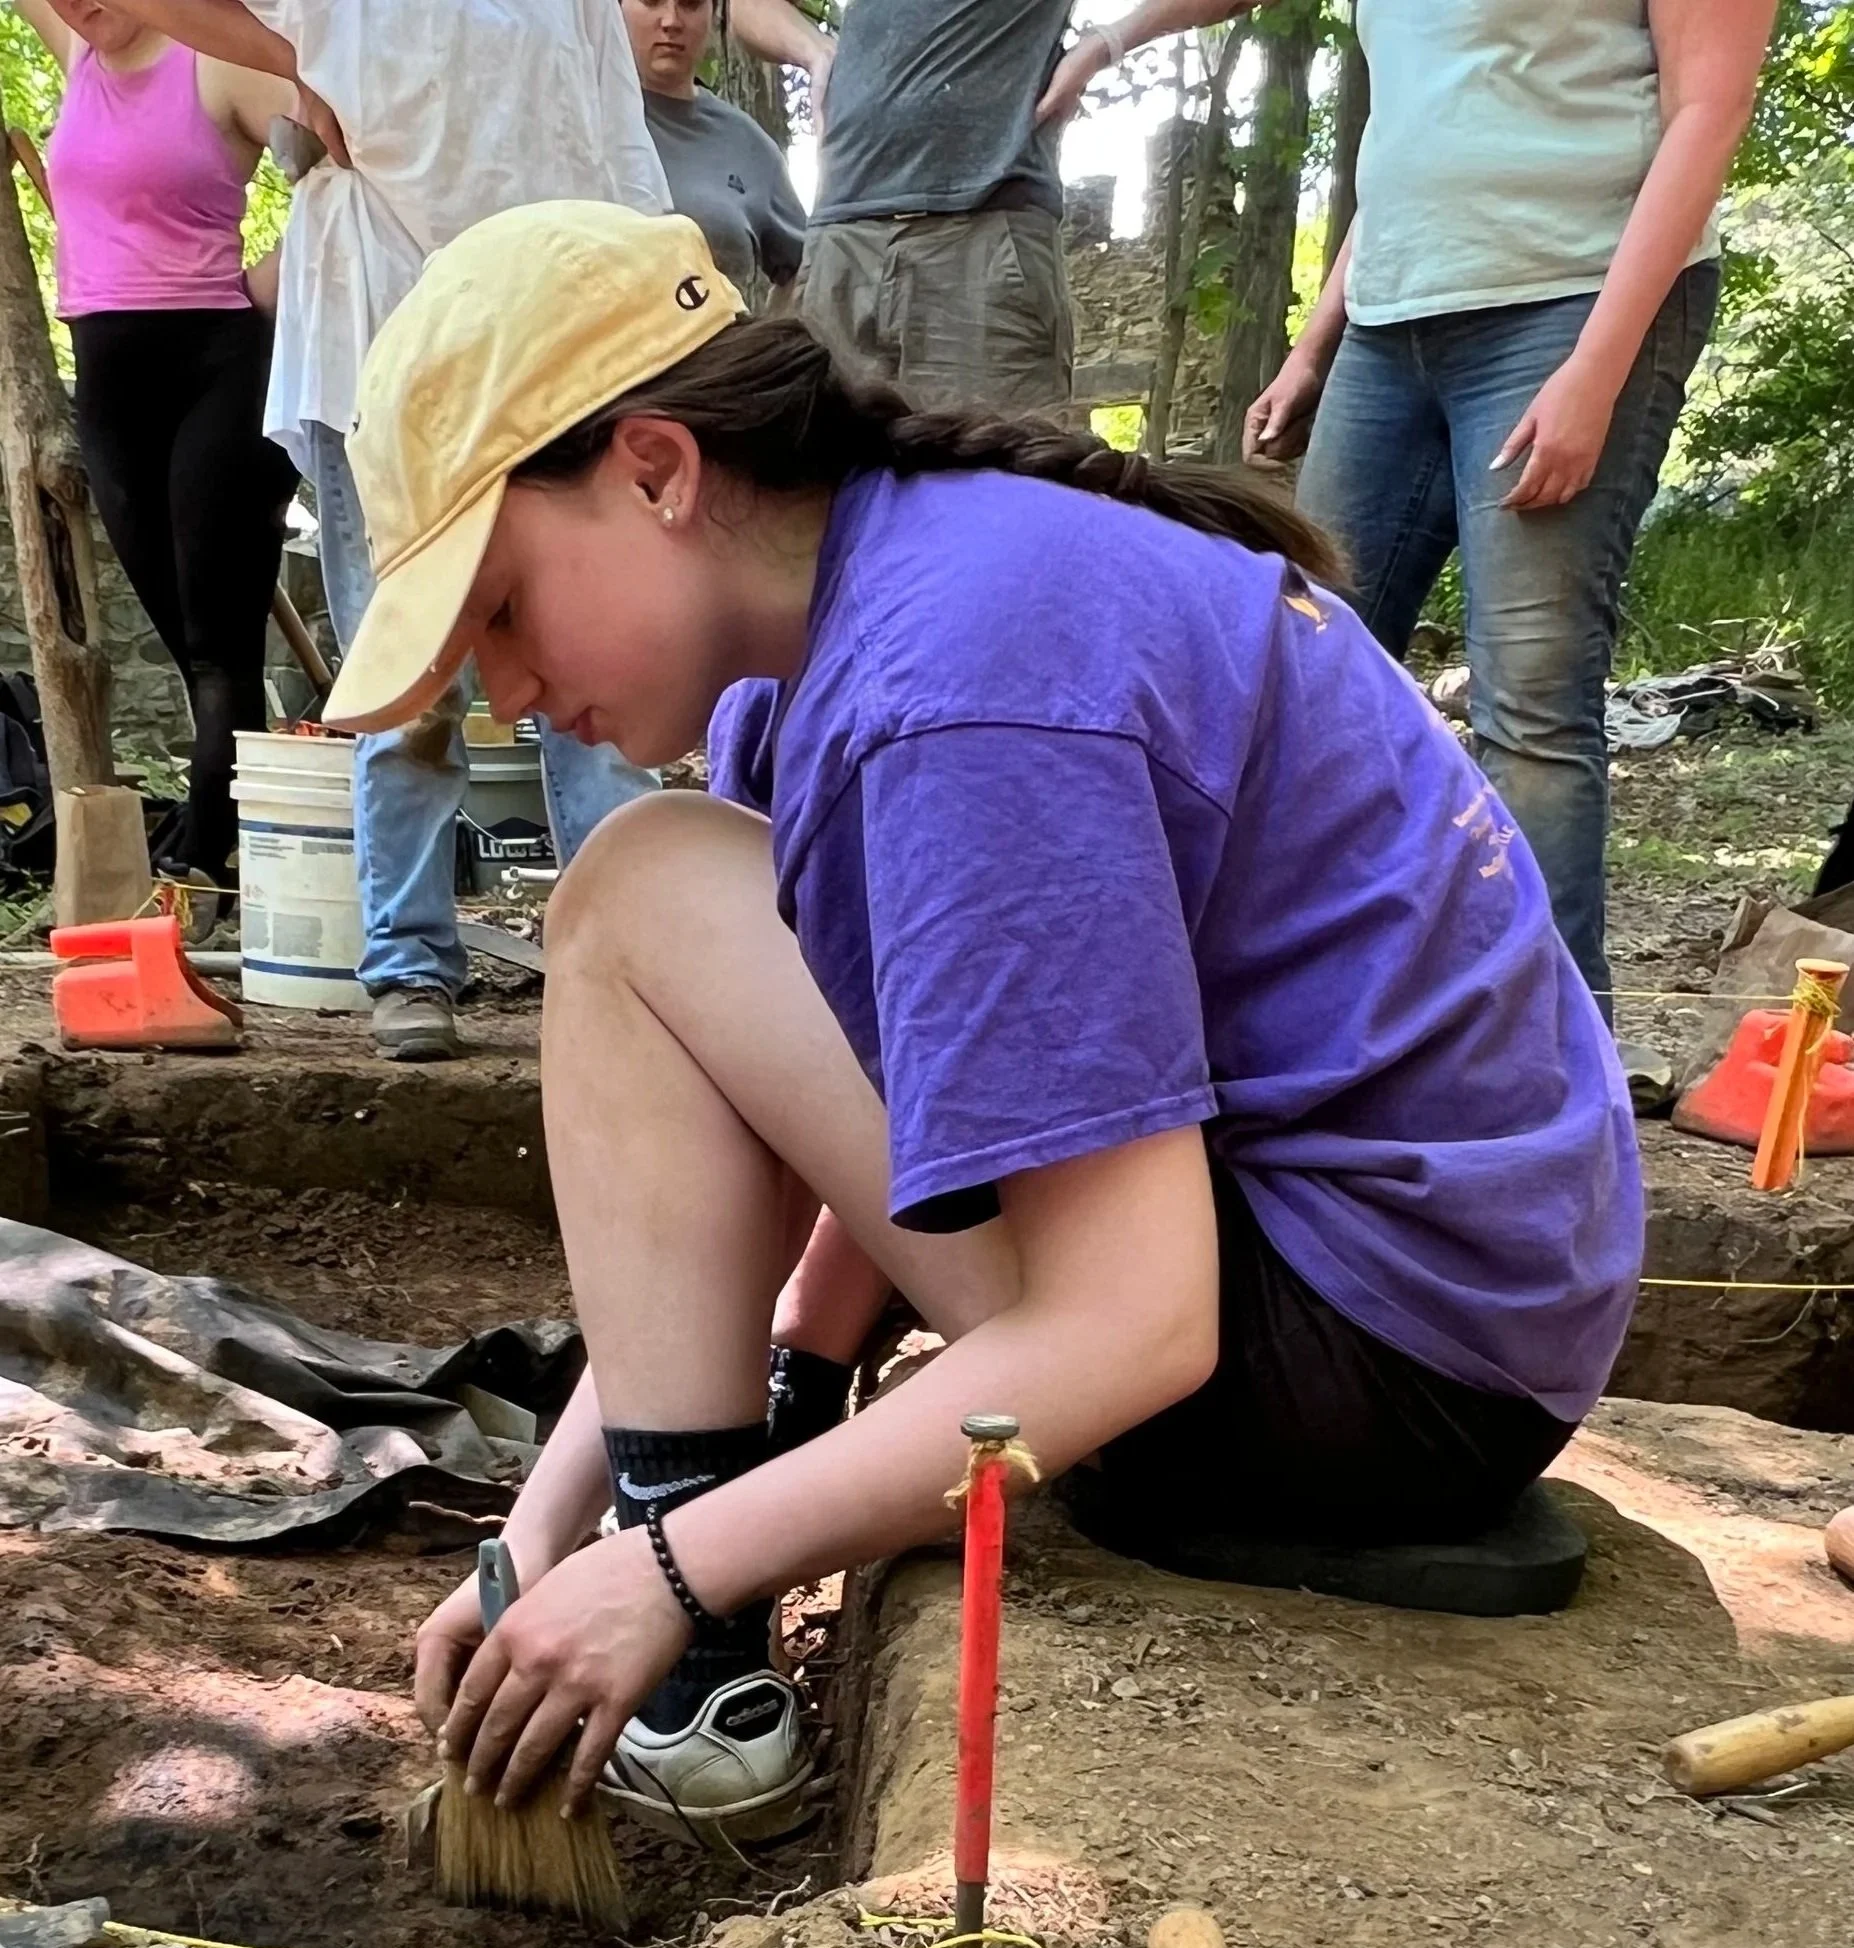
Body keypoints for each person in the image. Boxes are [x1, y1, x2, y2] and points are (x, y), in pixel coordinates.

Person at [317, 202, 1642, 1841]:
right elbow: (838, 1094)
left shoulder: (954, 685)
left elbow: (1137, 1326)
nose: (505, 695)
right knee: (652, 886)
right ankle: (701, 1657)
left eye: (504, 611)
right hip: (1449, 1322)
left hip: (1376, 1363)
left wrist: (663, 1569)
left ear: (655, 469)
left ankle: (695, 1683)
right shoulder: (869, 621)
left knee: (633, 888)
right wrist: (536, 1541)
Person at [94, 0, 663, 1058]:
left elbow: (623, 162)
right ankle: (409, 960)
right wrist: (291, 62)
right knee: (410, 679)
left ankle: (626, 957)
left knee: (593, 657)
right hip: (378, 343)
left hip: (553, 352)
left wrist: (650, 340)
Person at [1245, 0, 1777, 1023]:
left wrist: (1597, 370)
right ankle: (1330, 1021)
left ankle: (1552, 1061)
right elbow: (1416, 130)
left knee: (1529, 708)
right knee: (1305, 673)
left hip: (1568, 298)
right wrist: (1315, 344)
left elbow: (1709, 111)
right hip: (1392, 322)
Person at [14, 0, 299, 889]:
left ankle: (202, 856)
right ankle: (243, 827)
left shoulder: (221, 60)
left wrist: (269, 281)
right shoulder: (80, 50)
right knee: (182, 633)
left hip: (222, 371)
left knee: (219, 641)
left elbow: (358, 166)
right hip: (110, 384)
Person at [738, 0, 1258, 414]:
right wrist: (814, 50)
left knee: (991, 495)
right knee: (824, 496)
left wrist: (1105, 44)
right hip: (838, 245)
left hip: (982, 236)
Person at [622, 0, 806, 302]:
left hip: (718, 331)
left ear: (716, 14)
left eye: (690, 4)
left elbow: (808, 274)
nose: (671, 21)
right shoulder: (576, 115)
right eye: (652, 1)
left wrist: (772, 328)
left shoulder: (746, 143)